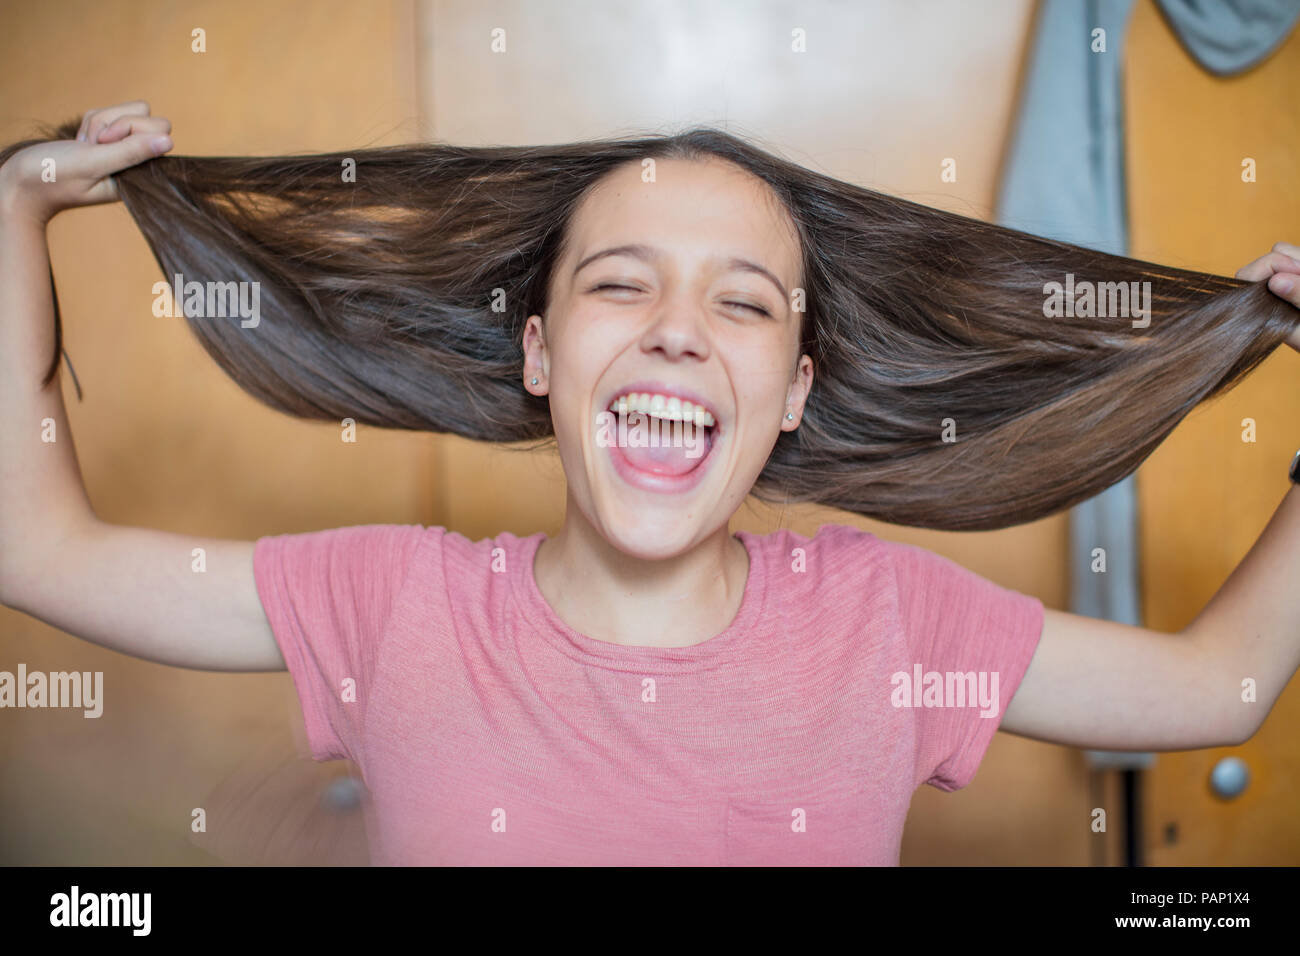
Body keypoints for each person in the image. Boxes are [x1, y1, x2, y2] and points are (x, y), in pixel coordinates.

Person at [2, 102, 1299, 864]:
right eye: (620, 282)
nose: (677, 327)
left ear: (793, 390)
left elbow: (1222, 686)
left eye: (742, 303)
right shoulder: (390, 604)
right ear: (541, 353)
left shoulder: (896, 628)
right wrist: (15, 214)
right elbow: (35, 549)